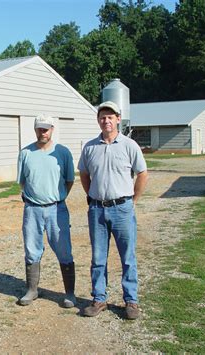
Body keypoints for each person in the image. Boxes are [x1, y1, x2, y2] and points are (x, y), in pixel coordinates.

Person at [78, 101, 148, 320]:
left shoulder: (129, 145)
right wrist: (91, 196)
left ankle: (131, 301)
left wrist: (133, 200)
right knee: (98, 257)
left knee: (128, 257)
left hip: (123, 209)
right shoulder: (90, 147)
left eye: (110, 117)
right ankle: (99, 299)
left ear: (118, 119)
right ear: (98, 120)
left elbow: (142, 174)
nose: (106, 120)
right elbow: (84, 174)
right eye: (102, 117)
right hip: (97, 210)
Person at [16, 114, 76, 308]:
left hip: (56, 209)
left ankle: (69, 293)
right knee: (31, 250)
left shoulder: (63, 153)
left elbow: (69, 180)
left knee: (64, 250)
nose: (43, 132)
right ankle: (32, 290)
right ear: (35, 130)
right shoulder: (25, 153)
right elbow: (23, 181)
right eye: (40, 129)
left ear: (52, 129)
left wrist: (57, 198)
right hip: (32, 210)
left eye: (46, 128)